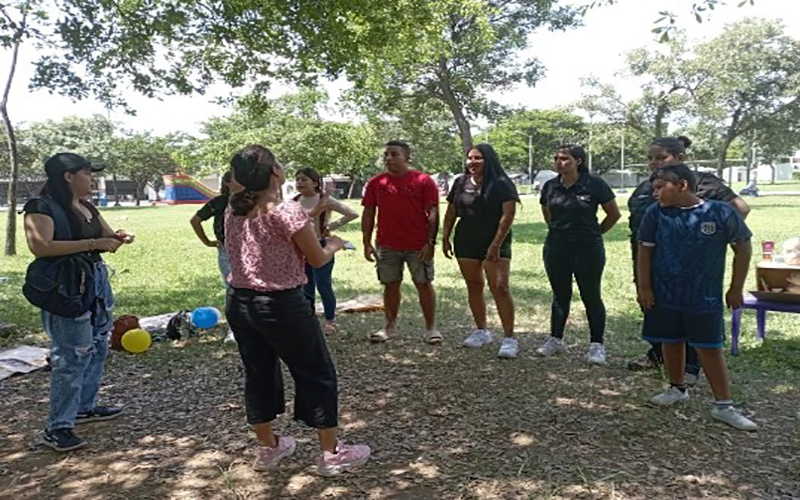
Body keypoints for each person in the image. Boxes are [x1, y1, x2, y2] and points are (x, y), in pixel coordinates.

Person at [224, 145, 370, 475]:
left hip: (240, 302)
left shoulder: (234, 207)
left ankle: (268, 448)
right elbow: (316, 258)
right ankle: (331, 454)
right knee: (316, 372)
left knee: (258, 372)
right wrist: (334, 244)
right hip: (281, 304)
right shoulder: (286, 210)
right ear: (275, 172)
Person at [23, 153, 135, 452]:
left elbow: (106, 235)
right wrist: (93, 244)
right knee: (72, 355)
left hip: (94, 280)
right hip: (65, 285)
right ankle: (58, 427)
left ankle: (85, 407)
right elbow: (40, 247)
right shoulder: (41, 206)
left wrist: (118, 237)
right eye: (87, 173)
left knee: (98, 344)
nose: (92, 179)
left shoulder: (86, 206)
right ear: (68, 176)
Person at [637, 164, 757, 431]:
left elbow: (743, 249)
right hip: (665, 292)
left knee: (709, 348)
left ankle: (723, 406)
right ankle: (677, 388)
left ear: (682, 185)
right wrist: (644, 287)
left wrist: (736, 288)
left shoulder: (720, 212)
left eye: (661, 188)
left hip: (704, 295)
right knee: (670, 340)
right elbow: (644, 251)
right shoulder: (655, 213)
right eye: (654, 188)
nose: (655, 193)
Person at [626, 136, 751, 380]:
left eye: (661, 157)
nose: (654, 162)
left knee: (691, 312)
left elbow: (740, 208)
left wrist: (710, 238)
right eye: (651, 158)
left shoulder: (703, 182)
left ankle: (691, 365)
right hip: (650, 257)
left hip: (689, 262)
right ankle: (658, 354)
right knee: (654, 306)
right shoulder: (647, 187)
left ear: (680, 157)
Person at [537, 145, 621, 364]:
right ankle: (555, 339)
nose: (559, 162)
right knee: (560, 295)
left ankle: (596, 344)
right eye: (556, 158)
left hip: (587, 248)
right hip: (556, 247)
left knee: (590, 295)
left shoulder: (594, 184)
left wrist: (594, 233)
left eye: (565, 158)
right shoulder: (551, 186)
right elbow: (547, 213)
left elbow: (614, 214)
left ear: (578, 161)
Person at [442, 144, 520, 358]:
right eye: (470, 158)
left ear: (489, 160)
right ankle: (481, 331)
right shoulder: (460, 182)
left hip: (495, 240)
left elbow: (508, 215)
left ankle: (509, 338)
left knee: (500, 287)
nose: (473, 162)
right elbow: (451, 212)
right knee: (474, 285)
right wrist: (445, 237)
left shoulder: (501, 183)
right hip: (466, 240)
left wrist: (495, 245)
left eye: (478, 158)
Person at [361, 140, 442, 344]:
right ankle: (389, 326)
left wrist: (430, 243)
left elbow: (433, 213)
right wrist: (366, 242)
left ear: (407, 157)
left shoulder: (423, 181)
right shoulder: (376, 183)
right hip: (387, 244)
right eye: (386, 154)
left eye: (394, 154)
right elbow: (368, 213)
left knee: (423, 283)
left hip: (418, 245)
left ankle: (431, 328)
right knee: (390, 284)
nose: (389, 158)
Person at [294, 167, 359, 334]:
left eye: (304, 179)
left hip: (321, 245)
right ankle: (308, 319)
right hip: (301, 248)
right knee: (305, 285)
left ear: (315, 183)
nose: (299, 183)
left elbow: (352, 214)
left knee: (323, 284)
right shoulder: (293, 201)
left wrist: (329, 227)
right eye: (297, 179)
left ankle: (330, 321)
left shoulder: (325, 200)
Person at [190, 171, 243, 343]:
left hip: (249, 251)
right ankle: (235, 329)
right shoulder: (220, 202)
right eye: (238, 179)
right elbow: (195, 220)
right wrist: (207, 242)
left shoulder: (250, 201)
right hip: (227, 251)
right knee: (233, 289)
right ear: (227, 182)